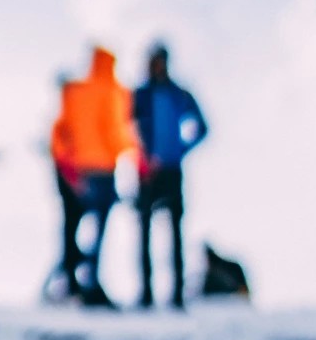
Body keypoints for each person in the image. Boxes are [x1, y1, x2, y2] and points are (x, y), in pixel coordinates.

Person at [50, 47, 136, 306]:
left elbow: (60, 132)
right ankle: (90, 281)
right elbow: (114, 131)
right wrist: (131, 151)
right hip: (103, 169)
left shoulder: (76, 92)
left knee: (74, 224)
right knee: (98, 228)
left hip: (78, 170)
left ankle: (71, 279)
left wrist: (67, 162)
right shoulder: (113, 91)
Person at [132, 44, 208, 310]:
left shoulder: (179, 94)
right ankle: (146, 293)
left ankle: (176, 295)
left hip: (172, 171)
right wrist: (142, 155)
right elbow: (125, 128)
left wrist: (179, 150)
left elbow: (202, 127)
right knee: (144, 232)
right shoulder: (140, 95)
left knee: (175, 232)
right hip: (147, 172)